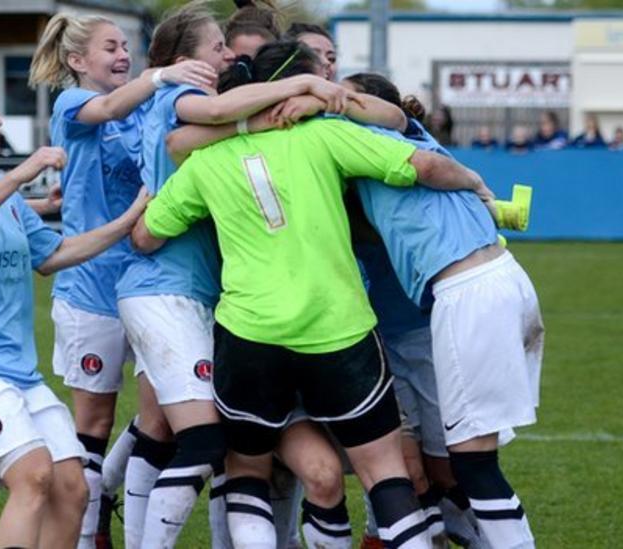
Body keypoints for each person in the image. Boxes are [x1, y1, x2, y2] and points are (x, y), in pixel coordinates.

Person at [133, 40, 495, 549]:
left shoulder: (205, 160)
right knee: (385, 473)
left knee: (248, 471)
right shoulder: (325, 136)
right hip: (337, 330)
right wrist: (477, 185)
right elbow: (423, 165)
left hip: (250, 335)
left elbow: (146, 235)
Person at [115, 5, 361, 548]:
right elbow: (205, 127)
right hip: (167, 290)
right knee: (198, 437)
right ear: (186, 62)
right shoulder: (181, 100)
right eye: (219, 49)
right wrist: (297, 88)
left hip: (207, 296)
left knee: (193, 433)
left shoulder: (211, 122)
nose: (229, 57)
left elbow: (211, 129)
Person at [0, 73, 149, 549]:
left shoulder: (3, 195)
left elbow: (54, 255)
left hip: (17, 373)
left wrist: (127, 221)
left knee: (71, 486)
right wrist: (20, 175)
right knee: (33, 475)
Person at [28, 13, 217, 548]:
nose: (122, 55)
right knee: (95, 421)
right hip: (90, 287)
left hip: (149, 282)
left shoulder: (144, 112)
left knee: (161, 414)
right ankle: (85, 536)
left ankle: (110, 494)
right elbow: (109, 105)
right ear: (76, 61)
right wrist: (163, 75)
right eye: (110, 47)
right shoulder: (73, 106)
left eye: (126, 47)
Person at [344, 71, 544, 549]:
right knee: (465, 463)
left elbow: (387, 115)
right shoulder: (399, 142)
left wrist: (323, 99)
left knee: (472, 464)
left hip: (468, 290)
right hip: (494, 282)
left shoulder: (384, 132)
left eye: (346, 97)